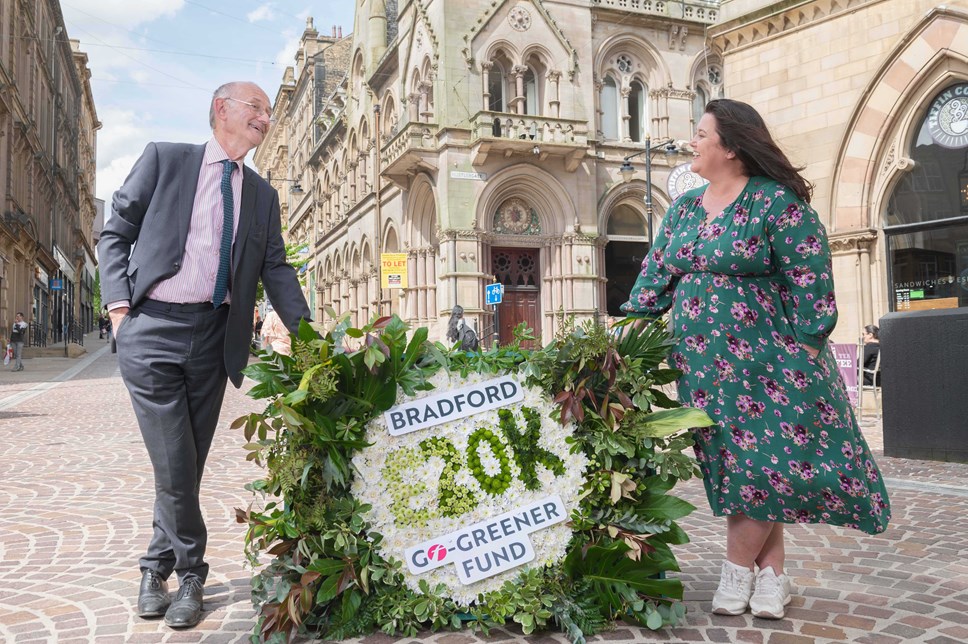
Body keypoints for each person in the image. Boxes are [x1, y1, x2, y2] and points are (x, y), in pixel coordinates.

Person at [621, 99, 890, 620]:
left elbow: (811, 278)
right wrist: (624, 330)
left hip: (772, 364)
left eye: (701, 134)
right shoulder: (683, 210)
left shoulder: (778, 203)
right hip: (703, 368)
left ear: (731, 147)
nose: (691, 142)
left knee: (769, 469)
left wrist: (808, 349)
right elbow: (654, 279)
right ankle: (772, 580)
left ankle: (737, 572)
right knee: (741, 470)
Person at [98, 81, 311, 630]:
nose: (265, 118)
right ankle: (192, 571)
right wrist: (120, 310)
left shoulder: (262, 194)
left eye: (268, 112)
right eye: (256, 108)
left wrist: (311, 339)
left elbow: (277, 270)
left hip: (214, 340)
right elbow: (115, 231)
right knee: (174, 460)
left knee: (182, 464)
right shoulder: (166, 160)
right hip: (152, 330)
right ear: (223, 110)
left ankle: (154, 566)